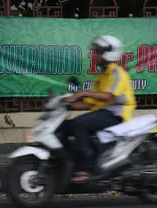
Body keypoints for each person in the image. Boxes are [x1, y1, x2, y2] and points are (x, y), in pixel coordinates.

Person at [64, 35, 137, 182]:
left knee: (79, 123)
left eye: (97, 52)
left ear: (108, 53)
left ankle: (82, 169)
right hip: (103, 113)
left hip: (117, 115)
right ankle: (71, 162)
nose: (94, 55)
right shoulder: (101, 77)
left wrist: (83, 93)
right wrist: (67, 104)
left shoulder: (117, 73)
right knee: (67, 125)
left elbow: (108, 96)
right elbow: (90, 103)